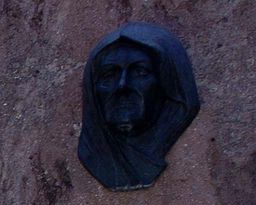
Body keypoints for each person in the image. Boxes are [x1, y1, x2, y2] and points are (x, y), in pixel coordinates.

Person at [77, 21, 199, 191]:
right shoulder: (95, 156)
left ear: (166, 83)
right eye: (109, 75)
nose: (122, 85)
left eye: (140, 72)